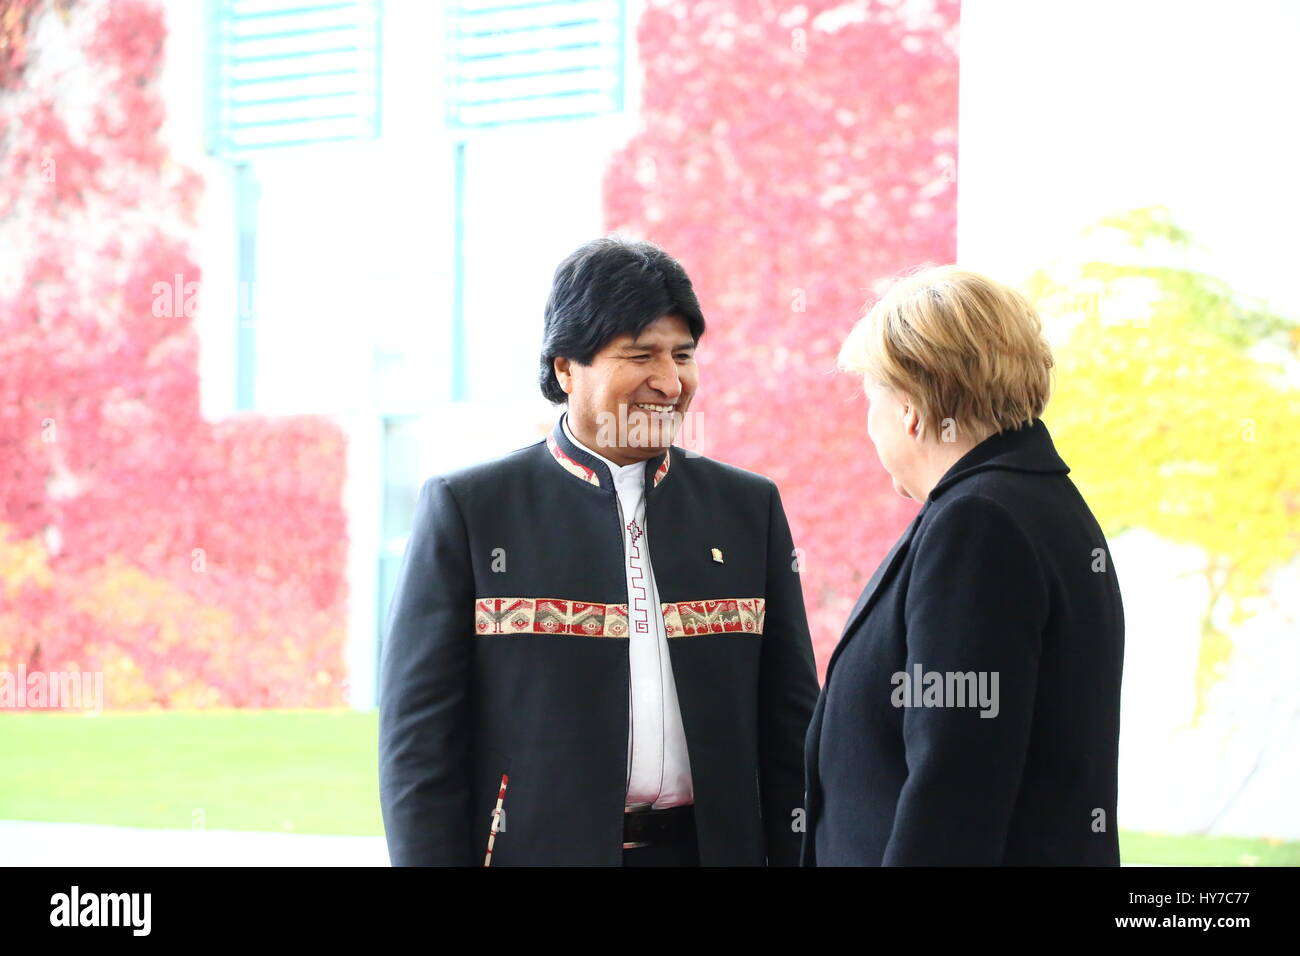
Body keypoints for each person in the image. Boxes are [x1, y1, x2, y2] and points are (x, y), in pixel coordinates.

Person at [379, 236, 819, 866]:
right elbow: (417, 743)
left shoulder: (748, 508)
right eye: (640, 355)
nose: (669, 383)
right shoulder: (471, 510)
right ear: (566, 368)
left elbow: (790, 725)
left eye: (683, 356)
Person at [803, 265, 1124, 866]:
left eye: (873, 396)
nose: (869, 424)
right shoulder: (1031, 503)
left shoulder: (977, 524)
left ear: (912, 409)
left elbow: (955, 784)